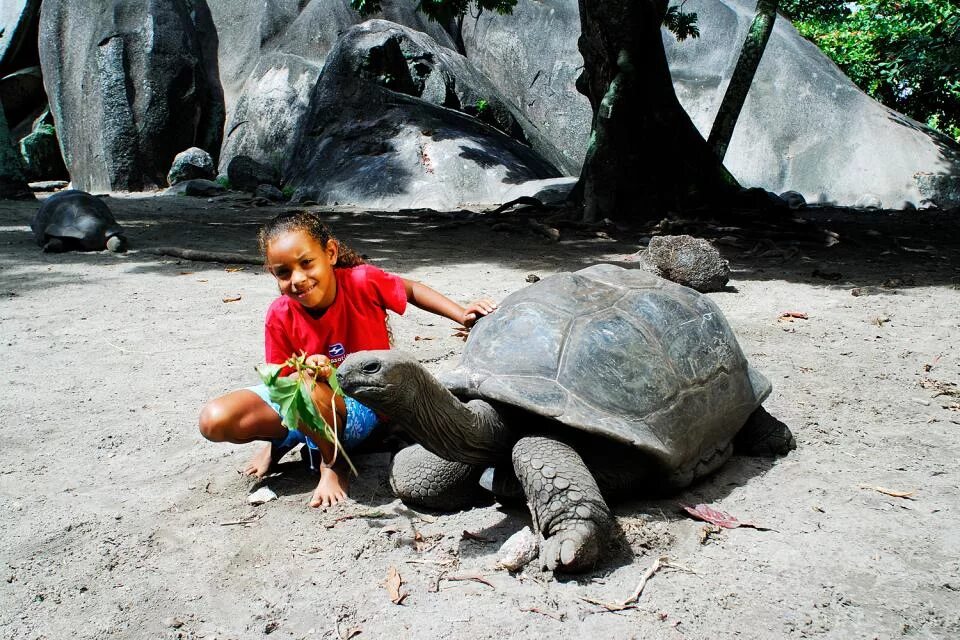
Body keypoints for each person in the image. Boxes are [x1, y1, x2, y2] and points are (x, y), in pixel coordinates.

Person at [198, 211, 496, 508]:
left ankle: (333, 463)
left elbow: (411, 289)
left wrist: (462, 313)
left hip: (361, 404)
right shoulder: (279, 314)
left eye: (306, 263)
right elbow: (281, 381)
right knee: (215, 420)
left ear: (330, 253)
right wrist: (311, 375)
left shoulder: (361, 282)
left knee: (309, 387)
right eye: (284, 272)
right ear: (272, 274)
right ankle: (280, 443)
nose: (298, 279)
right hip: (308, 402)